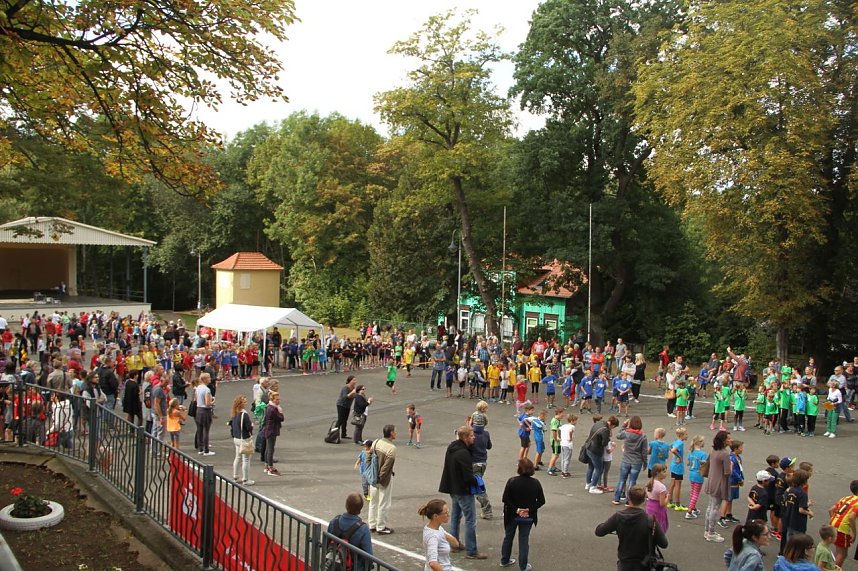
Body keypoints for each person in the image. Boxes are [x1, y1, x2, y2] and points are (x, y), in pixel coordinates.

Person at [595, 485, 668, 571]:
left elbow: (599, 531)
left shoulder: (618, 517)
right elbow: (664, 544)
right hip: (644, 563)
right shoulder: (650, 520)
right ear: (643, 500)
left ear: (628, 498)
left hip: (625, 563)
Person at [438, 425, 485, 559]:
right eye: (471, 435)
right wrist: (477, 481)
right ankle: (472, 551)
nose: (474, 437)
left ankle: (455, 544)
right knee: (470, 520)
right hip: (463, 490)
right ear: (465, 437)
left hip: (453, 487)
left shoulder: (452, 448)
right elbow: (468, 476)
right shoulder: (463, 453)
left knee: (455, 516)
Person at [499, 458, 545, 571]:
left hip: (512, 515)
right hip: (528, 516)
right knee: (524, 540)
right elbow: (541, 501)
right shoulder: (535, 483)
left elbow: (505, 499)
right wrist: (528, 510)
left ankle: (505, 560)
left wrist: (517, 510)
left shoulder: (512, 481)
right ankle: (523, 566)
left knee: (508, 537)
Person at [328, 493, 373, 571]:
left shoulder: (334, 522)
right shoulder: (363, 528)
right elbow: (368, 556)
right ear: (360, 509)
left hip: (333, 565)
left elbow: (327, 543)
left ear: (346, 505)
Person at [704, 430, 734, 543]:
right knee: (715, 508)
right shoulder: (725, 454)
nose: (730, 440)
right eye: (728, 438)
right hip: (720, 483)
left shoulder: (714, 451)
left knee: (710, 507)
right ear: (724, 441)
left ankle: (707, 530)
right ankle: (711, 533)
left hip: (711, 481)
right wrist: (731, 466)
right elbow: (727, 472)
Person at [368, 424, 397, 535]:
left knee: (373, 502)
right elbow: (386, 467)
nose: (396, 433)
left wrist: (370, 474)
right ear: (391, 433)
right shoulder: (392, 448)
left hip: (373, 477)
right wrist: (381, 478)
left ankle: (372, 524)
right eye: (395, 431)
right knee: (383, 503)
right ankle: (381, 526)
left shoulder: (376, 442)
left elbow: (368, 457)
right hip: (384, 480)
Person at [613, 416, 648, 505]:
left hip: (626, 459)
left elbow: (618, 435)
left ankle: (617, 498)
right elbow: (644, 451)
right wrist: (645, 462)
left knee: (622, 479)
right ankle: (630, 500)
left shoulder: (626, 433)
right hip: (637, 461)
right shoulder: (643, 436)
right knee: (632, 481)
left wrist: (624, 426)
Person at [419, 498, 458, 571]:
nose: (448, 515)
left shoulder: (438, 528)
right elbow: (433, 563)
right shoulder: (433, 537)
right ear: (435, 516)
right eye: (445, 513)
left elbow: (456, 544)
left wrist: (444, 535)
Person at [827, 479, 858, 567]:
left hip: (833, 524)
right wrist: (854, 533)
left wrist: (835, 520)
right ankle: (834, 569)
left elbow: (831, 510)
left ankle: (832, 567)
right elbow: (851, 517)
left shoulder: (846, 498)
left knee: (838, 550)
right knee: (843, 553)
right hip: (842, 529)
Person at [585, 415, 618, 494]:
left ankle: (588, 484)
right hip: (596, 451)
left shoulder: (599, 423)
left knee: (591, 467)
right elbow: (604, 443)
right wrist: (611, 443)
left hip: (589, 447)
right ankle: (593, 487)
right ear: (613, 425)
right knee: (599, 469)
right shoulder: (605, 430)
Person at [230, 394, 254, 485]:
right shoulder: (244, 414)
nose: (246, 403)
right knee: (246, 459)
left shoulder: (234, 413)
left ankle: (235, 476)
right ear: (240, 404)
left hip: (236, 438)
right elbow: (248, 428)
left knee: (237, 457)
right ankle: (246, 479)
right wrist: (251, 426)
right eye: (244, 402)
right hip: (244, 439)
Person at [262, 390, 284, 476]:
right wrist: (280, 412)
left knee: (268, 448)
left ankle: (266, 466)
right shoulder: (273, 409)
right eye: (277, 399)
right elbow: (281, 418)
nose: (278, 401)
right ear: (272, 399)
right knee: (270, 449)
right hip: (272, 430)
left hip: (268, 429)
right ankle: (270, 468)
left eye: (279, 399)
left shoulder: (269, 407)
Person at [193, 372, 215, 456]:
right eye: (208, 378)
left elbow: (196, 399)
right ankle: (206, 450)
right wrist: (213, 402)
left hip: (198, 410)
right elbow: (207, 403)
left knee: (200, 430)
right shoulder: (207, 390)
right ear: (205, 379)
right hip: (205, 411)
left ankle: (201, 449)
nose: (210, 379)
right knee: (206, 430)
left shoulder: (198, 388)